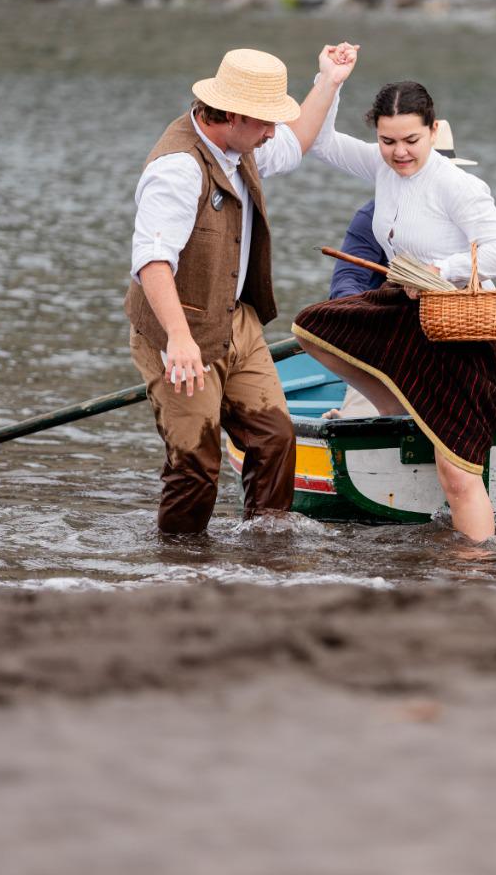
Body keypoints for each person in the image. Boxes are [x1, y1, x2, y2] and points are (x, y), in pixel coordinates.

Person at [126, 44, 356, 534]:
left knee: (275, 438)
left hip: (238, 322)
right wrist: (179, 338)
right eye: (264, 122)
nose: (271, 131)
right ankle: (179, 564)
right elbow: (152, 261)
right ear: (230, 115)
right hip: (179, 331)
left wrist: (329, 81)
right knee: (196, 466)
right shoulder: (177, 168)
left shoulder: (240, 144)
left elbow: (296, 141)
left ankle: (264, 548)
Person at [292, 81, 496, 544]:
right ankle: (398, 407)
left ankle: (478, 570)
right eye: (388, 140)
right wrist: (330, 80)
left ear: (433, 131)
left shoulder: (458, 184)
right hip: (406, 310)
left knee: (455, 472)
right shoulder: (382, 165)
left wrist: (445, 269)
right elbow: (317, 140)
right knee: (312, 327)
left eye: (411, 140)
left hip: (460, 328)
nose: (399, 153)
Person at [324, 123, 496, 420]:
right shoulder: (373, 217)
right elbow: (348, 279)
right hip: (392, 345)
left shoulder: (461, 197)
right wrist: (363, 315)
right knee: (361, 420)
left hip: (468, 334)